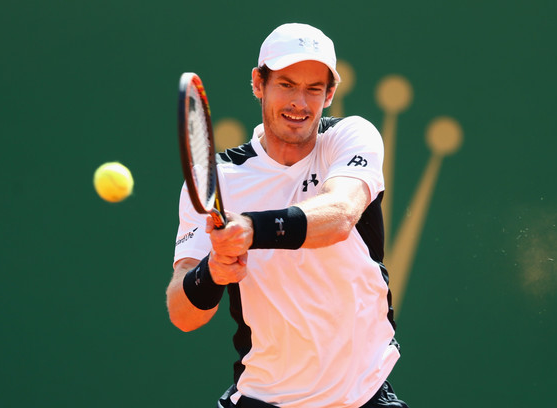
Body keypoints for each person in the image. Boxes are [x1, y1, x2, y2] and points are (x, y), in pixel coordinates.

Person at [166, 23, 409, 408]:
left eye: (314, 89)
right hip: (265, 397)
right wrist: (212, 272)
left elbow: (341, 214)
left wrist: (250, 228)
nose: (300, 102)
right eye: (286, 84)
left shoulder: (350, 137)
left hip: (365, 395)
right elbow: (182, 313)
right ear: (258, 84)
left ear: (330, 94)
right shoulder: (219, 180)